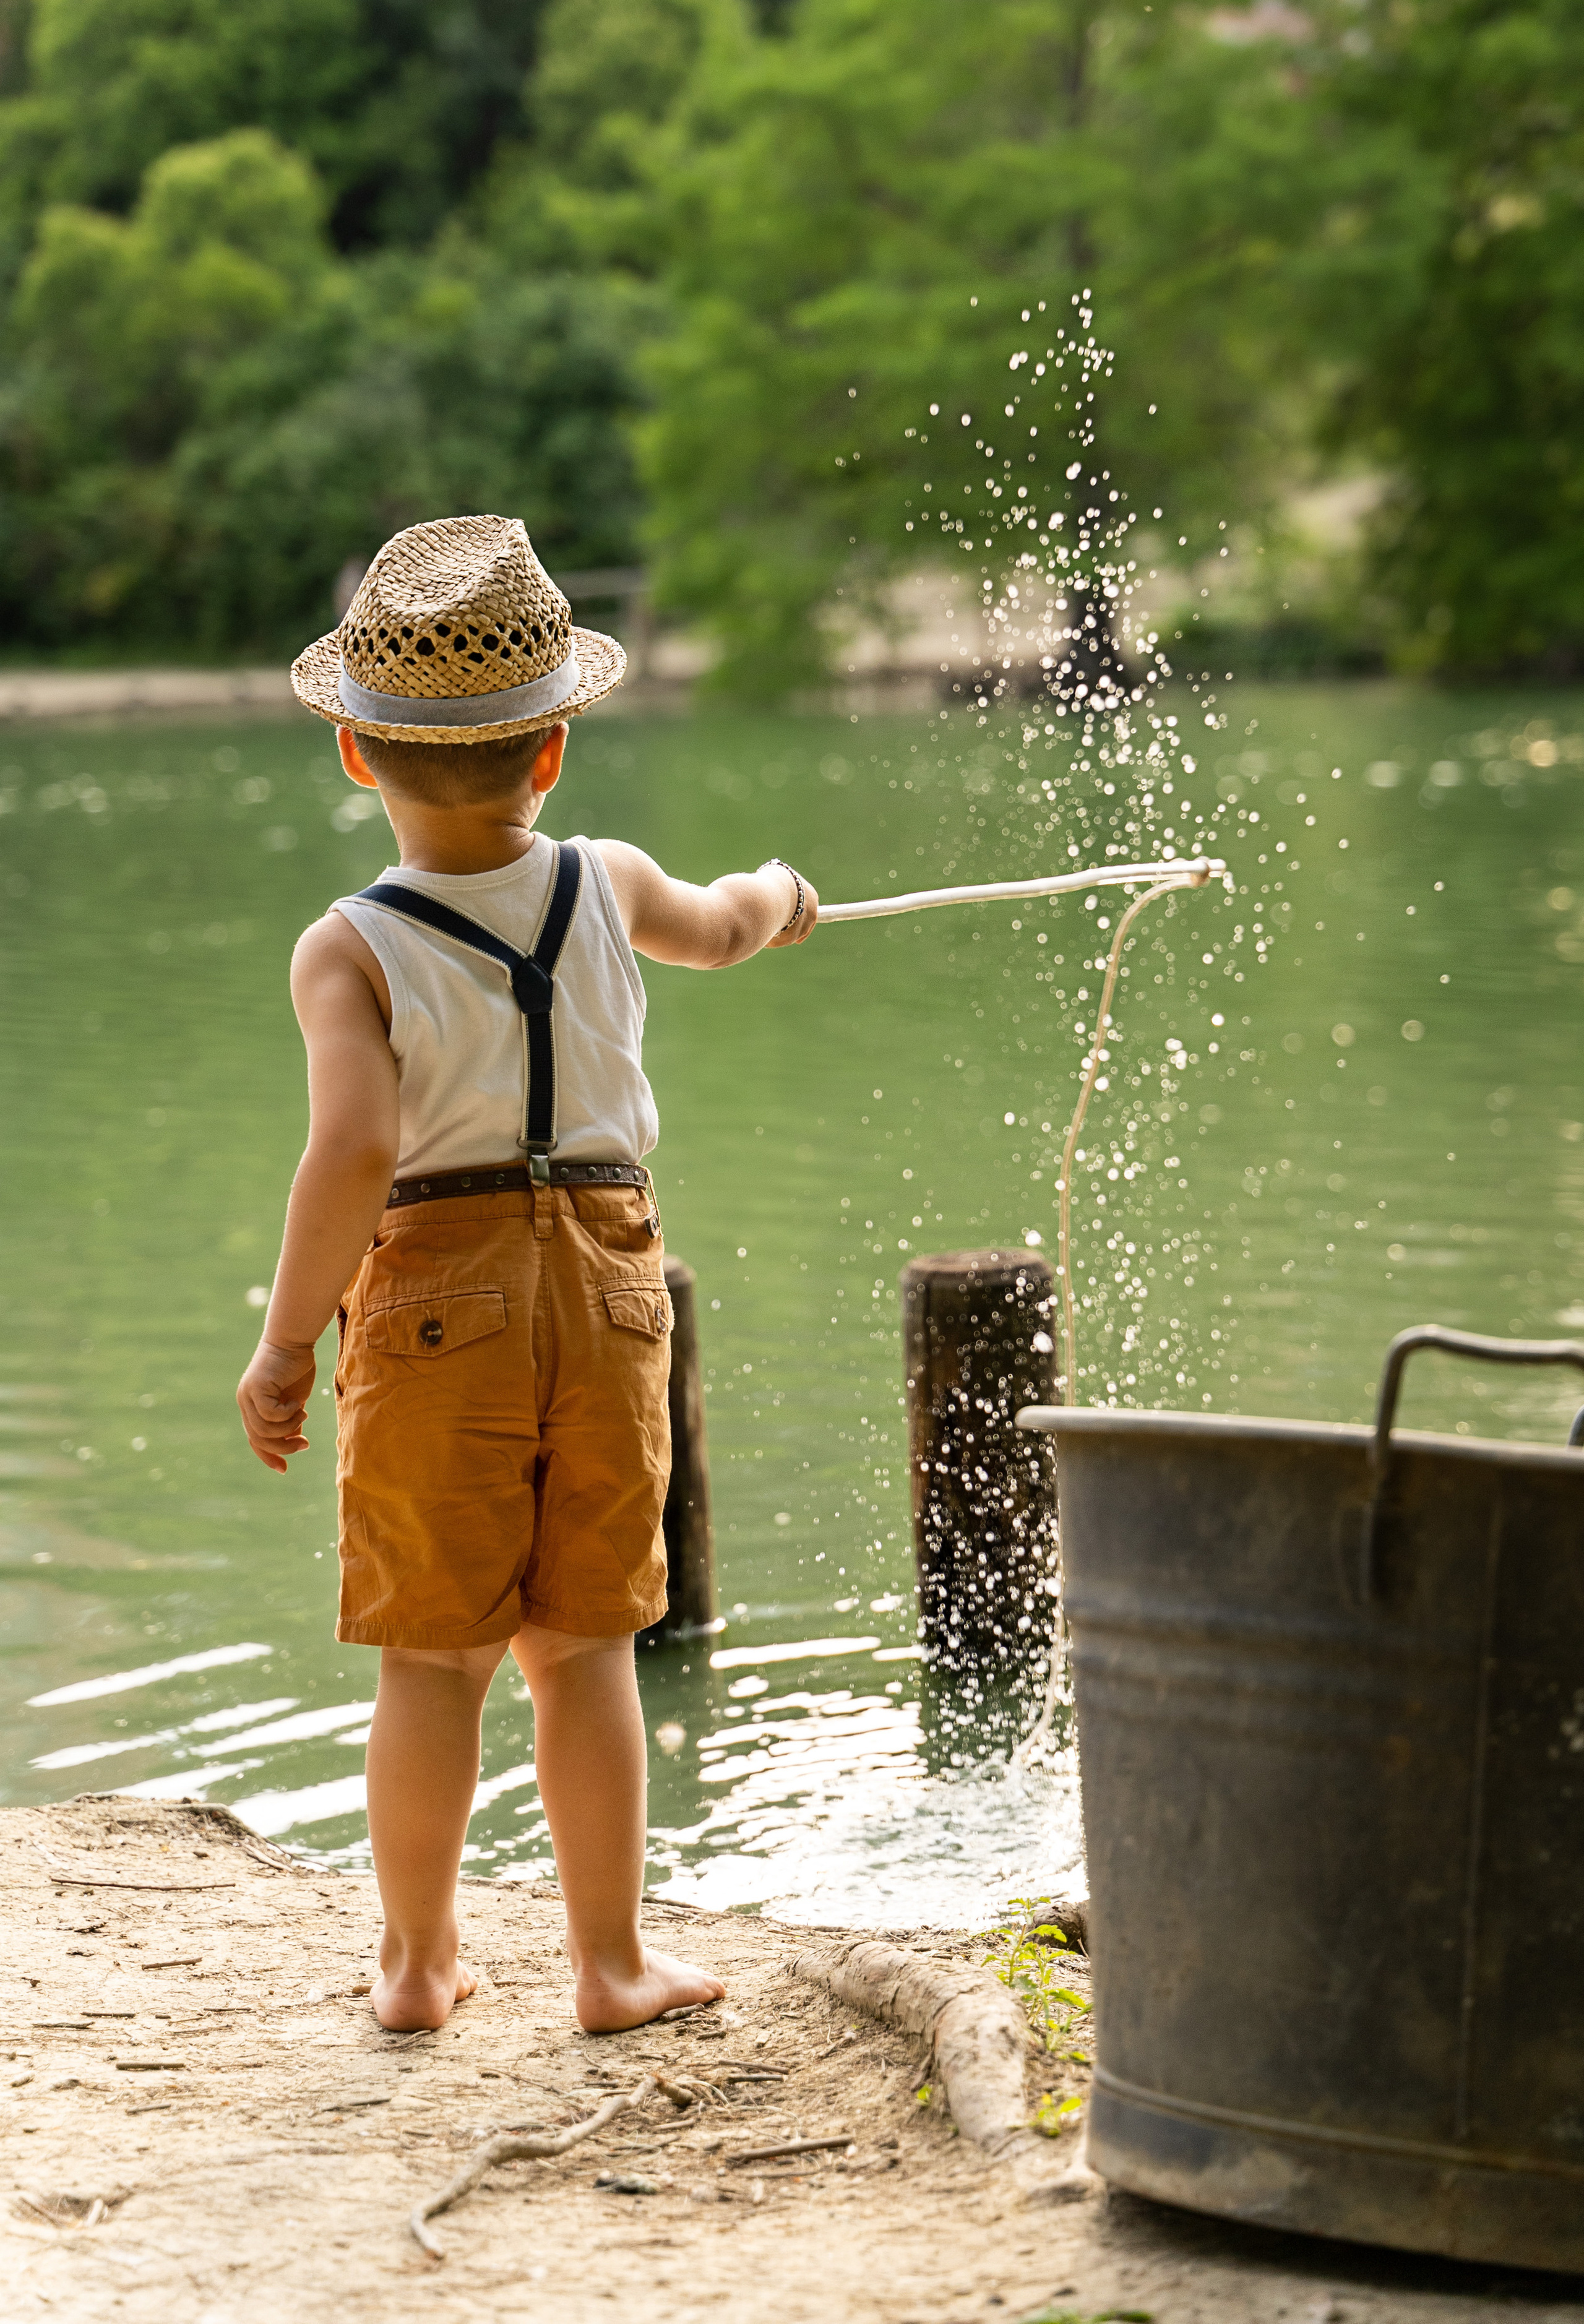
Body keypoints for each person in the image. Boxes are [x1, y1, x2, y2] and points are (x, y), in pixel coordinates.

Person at [236, 515, 817, 2034]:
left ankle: (420, 1966)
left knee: (433, 1661)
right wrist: (777, 888)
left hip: (437, 1286)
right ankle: (609, 1965)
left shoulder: (346, 946)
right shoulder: (609, 880)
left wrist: (288, 1342)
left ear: (359, 756)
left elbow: (352, 1154)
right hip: (616, 1279)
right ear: (550, 749)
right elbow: (729, 927)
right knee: (586, 1646)